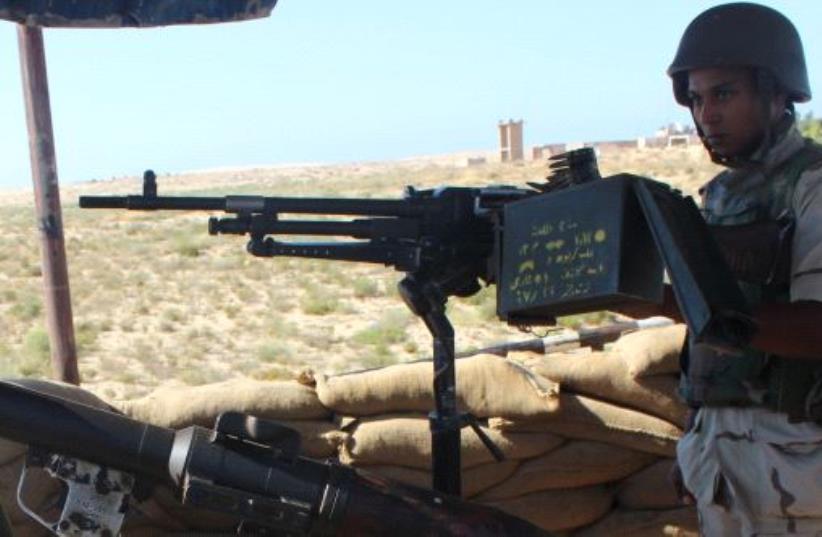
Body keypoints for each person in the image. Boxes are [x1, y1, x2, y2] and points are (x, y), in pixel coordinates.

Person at [660, 3, 822, 535]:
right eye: (698, 98)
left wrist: (674, 300)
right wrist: (696, 434)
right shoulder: (720, 197)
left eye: (724, 94)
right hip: (723, 458)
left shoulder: (811, 184)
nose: (707, 114)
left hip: (798, 454)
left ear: (776, 94)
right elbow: (709, 346)